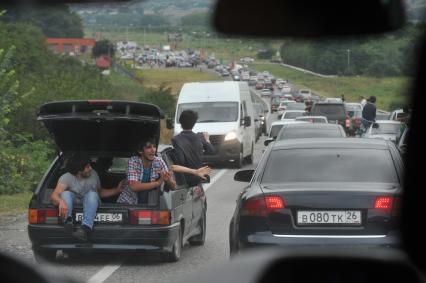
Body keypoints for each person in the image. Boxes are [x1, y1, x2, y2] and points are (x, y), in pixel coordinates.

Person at [50, 154, 125, 241]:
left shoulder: (94, 174)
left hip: (92, 202)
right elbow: (54, 195)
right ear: (78, 171)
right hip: (76, 202)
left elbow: (99, 192)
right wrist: (61, 202)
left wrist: (116, 190)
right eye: (87, 167)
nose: (91, 168)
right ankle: (68, 222)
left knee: (92, 194)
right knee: (65, 194)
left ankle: (85, 229)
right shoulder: (66, 177)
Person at [117, 139, 211, 205]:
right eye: (148, 147)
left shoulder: (158, 161)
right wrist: (157, 183)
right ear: (140, 151)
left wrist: (168, 180)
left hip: (146, 206)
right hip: (127, 203)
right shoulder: (134, 161)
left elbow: (173, 185)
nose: (153, 150)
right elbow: (134, 186)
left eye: (154, 147)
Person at [172, 110, 216, 187]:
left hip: (184, 180)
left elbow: (180, 160)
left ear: (180, 122)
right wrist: (207, 140)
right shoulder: (199, 137)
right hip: (198, 177)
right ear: (194, 123)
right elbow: (212, 151)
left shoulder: (176, 139)